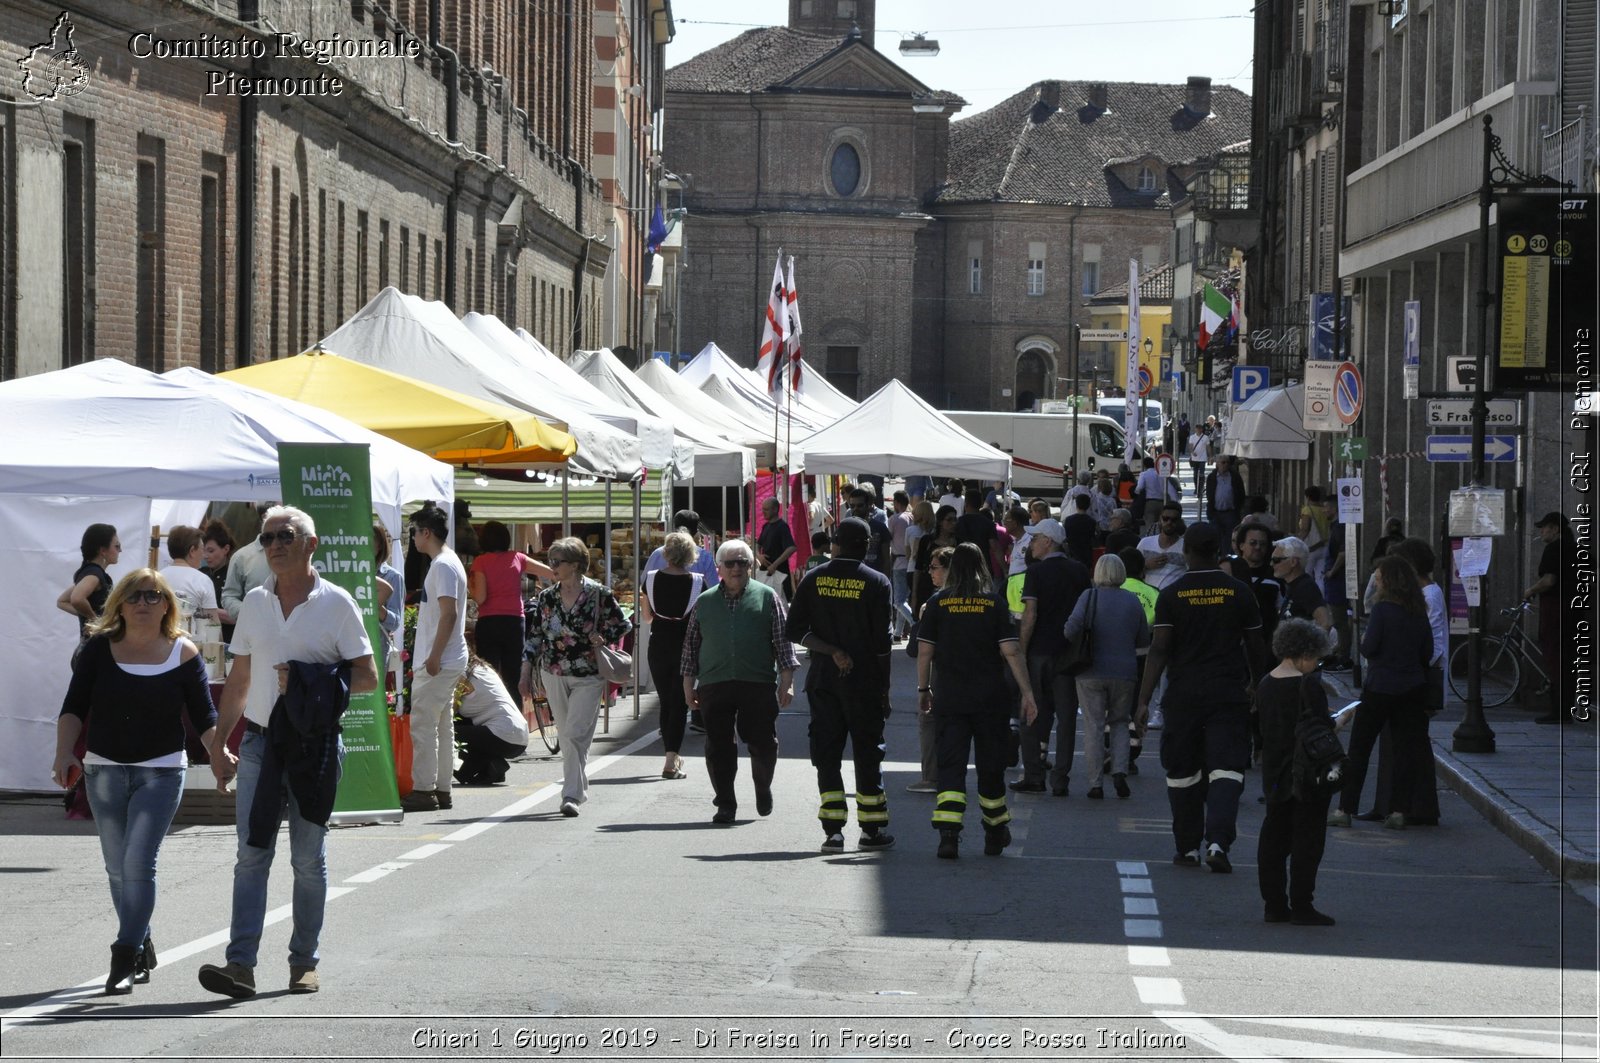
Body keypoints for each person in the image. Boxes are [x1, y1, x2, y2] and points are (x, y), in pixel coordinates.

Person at [199, 505, 377, 998]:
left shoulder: (337, 603)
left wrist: (310, 678)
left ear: (310, 544)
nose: (275, 544)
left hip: (314, 743)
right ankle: (240, 966)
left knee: (306, 858)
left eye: (286, 535)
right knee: (251, 855)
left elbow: (366, 677)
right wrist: (219, 742)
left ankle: (304, 961)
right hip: (258, 741)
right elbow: (239, 678)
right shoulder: (255, 602)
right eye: (267, 537)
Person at [55, 569, 218, 994]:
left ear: (167, 604)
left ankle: (123, 955)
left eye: (153, 596)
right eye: (134, 596)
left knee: (137, 862)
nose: (143, 603)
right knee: (116, 867)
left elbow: (204, 717)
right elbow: (74, 706)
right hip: (104, 767)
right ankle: (141, 939)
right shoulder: (97, 650)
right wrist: (63, 751)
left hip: (161, 770)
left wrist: (220, 753)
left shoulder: (184, 653)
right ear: (120, 605)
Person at [1137, 522, 1267, 873]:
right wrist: (1259, 685)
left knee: (1183, 771)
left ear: (1186, 552)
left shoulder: (1172, 594)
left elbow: (1159, 649)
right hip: (1228, 693)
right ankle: (1219, 842)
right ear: (1220, 550)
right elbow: (1256, 647)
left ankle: (1188, 847)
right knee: (1227, 769)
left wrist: (1143, 700)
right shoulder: (1240, 592)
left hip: (1183, 696)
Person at [916, 542, 1038, 859]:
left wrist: (923, 690)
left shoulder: (938, 603)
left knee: (951, 766)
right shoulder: (994, 604)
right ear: (982, 567)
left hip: (950, 698)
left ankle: (948, 836)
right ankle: (995, 833)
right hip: (989, 699)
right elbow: (1011, 651)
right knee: (990, 767)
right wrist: (1027, 693)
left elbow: (925, 652)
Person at [786, 517, 896, 852]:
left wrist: (830, 650)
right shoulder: (878, 582)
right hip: (864, 683)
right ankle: (871, 830)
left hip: (823, 683)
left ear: (835, 544)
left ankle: (833, 832)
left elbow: (795, 630)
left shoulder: (814, 578)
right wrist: (884, 690)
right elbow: (883, 645)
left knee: (827, 752)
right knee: (867, 753)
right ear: (866, 546)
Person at [680, 539, 798, 824]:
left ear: (750, 566)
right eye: (729, 563)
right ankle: (725, 803)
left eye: (742, 563)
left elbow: (783, 643)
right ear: (719, 568)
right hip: (714, 683)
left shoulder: (767, 596)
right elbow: (691, 646)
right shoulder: (705, 601)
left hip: (756, 682)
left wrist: (787, 681)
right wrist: (688, 685)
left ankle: (762, 787)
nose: (736, 569)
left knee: (763, 742)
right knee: (719, 745)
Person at [521, 538, 632, 818]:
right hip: (552, 670)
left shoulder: (598, 594)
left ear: (576, 565)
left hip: (588, 672)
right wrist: (525, 671)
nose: (552, 566)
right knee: (570, 733)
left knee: (574, 732)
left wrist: (603, 637)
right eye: (551, 561)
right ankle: (578, 786)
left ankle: (570, 795)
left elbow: (623, 624)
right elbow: (534, 636)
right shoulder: (547, 597)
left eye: (558, 562)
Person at [1329, 555, 1435, 831]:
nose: (1375, 581)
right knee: (1404, 751)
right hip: (1412, 688)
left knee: (1360, 749)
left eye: (1378, 577)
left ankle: (1345, 808)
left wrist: (1370, 645)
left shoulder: (1382, 610)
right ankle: (1398, 810)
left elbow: (1368, 648)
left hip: (1380, 687)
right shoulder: (1418, 611)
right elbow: (1428, 652)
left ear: (1388, 580)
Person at [1255, 618, 1341, 926]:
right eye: (1316, 657)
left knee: (1274, 838)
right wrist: (1339, 722)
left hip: (1276, 770)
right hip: (1308, 773)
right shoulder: (1308, 684)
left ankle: (1273, 904)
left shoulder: (1266, 683)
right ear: (1304, 653)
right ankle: (1302, 904)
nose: (1316, 663)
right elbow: (1321, 725)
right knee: (1307, 839)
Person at [1361, 537, 1445, 825]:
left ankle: (1414, 807)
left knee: (1410, 746)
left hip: (1409, 680)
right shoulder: (1408, 600)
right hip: (1405, 677)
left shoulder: (1428, 596)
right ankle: (1388, 804)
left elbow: (1433, 645)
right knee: (1396, 745)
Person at [1012, 518, 1090, 797]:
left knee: (1031, 711)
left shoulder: (1036, 573)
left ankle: (1034, 775)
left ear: (1048, 541)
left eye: (1034, 539)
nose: (1030, 544)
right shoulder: (1080, 571)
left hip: (1039, 653)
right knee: (1067, 717)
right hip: (1069, 655)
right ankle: (1060, 779)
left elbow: (1030, 614)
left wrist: (1020, 649)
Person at [1063, 554, 1150, 800]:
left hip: (1089, 671)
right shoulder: (1133, 601)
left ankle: (1095, 783)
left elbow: (1070, 629)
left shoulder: (1088, 597)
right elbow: (1143, 642)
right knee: (1121, 722)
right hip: (1124, 672)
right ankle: (1120, 770)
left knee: (1094, 725)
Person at [403, 502, 470, 814]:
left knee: (424, 725)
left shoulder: (442, 565)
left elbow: (448, 613)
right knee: (442, 725)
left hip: (440, 658)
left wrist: (433, 656)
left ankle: (424, 789)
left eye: (413, 532)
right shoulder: (448, 560)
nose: (412, 539)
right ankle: (441, 789)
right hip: (449, 656)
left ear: (425, 533)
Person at [639, 531, 705, 781]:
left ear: (665, 553)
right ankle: (671, 758)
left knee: (666, 699)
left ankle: (670, 755)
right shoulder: (698, 583)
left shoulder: (651, 580)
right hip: (687, 647)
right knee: (678, 702)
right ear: (691, 555)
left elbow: (646, 617)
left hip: (658, 646)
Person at [469, 520, 554, 701]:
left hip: (489, 622)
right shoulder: (518, 557)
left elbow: (481, 597)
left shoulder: (480, 562)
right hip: (514, 622)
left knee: (489, 675)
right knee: (513, 675)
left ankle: (493, 720)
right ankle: (517, 717)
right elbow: (550, 572)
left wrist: (471, 587)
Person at [907, 545, 955, 794]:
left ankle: (931, 777)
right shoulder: (977, 598)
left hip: (940, 675)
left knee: (928, 720)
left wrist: (923, 687)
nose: (929, 572)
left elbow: (922, 651)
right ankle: (951, 777)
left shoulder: (933, 604)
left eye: (935, 567)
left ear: (948, 570)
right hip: (967, 675)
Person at [1524, 511, 1579, 725]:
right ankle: (1566, 709)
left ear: (1555, 529)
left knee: (1555, 659)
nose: (1541, 531)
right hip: (1574, 612)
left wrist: (1530, 591)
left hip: (1555, 611)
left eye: (1544, 527)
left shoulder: (1554, 549)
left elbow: (1549, 580)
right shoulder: (1575, 549)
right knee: (1567, 660)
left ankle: (1558, 711)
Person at [452, 656, 529, 785]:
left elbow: (449, 711)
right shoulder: (482, 668)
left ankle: (488, 766)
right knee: (461, 725)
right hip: (518, 737)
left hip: (502, 735)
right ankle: (492, 767)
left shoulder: (460, 674)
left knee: (442, 732)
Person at [58, 523, 121, 641]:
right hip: (95, 648)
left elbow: (62, 601)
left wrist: (86, 616)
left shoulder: (90, 572)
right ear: (103, 550)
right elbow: (76, 599)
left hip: (89, 645)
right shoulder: (94, 575)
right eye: (117, 546)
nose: (120, 550)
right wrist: (96, 620)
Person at [221, 502, 275, 625]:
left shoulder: (296, 554)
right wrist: (251, 613)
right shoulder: (242, 557)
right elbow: (229, 596)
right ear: (265, 517)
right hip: (254, 634)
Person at [160, 525, 226, 623]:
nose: (204, 556)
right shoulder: (202, 580)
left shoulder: (158, 577)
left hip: (160, 636)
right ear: (192, 551)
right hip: (192, 636)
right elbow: (213, 623)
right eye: (202, 549)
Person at [645, 509, 719, 588]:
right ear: (696, 531)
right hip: (695, 599)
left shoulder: (658, 553)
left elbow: (645, 583)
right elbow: (713, 587)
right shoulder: (705, 557)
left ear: (674, 528)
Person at [1270, 537, 1331, 632]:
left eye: (1276, 560)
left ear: (1293, 562)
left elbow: (1325, 623)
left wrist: (1307, 645)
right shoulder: (1294, 584)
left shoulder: (1306, 586)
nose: (1271, 564)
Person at [911, 504, 959, 620]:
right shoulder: (927, 541)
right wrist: (914, 594)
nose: (953, 523)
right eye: (949, 520)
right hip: (927, 585)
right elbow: (917, 568)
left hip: (951, 588)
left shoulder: (959, 542)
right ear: (940, 522)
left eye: (955, 519)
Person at [371, 523, 404, 669]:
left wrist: (376, 606)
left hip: (376, 648)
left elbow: (395, 622)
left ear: (380, 545)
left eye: (370, 539)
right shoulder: (348, 574)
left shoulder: (392, 577)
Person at [755, 496, 797, 601]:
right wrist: (759, 556)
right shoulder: (766, 526)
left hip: (779, 573)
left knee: (781, 604)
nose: (763, 512)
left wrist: (775, 565)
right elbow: (757, 544)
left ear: (775, 509)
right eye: (763, 509)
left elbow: (791, 548)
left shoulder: (782, 526)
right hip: (765, 573)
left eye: (766, 509)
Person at [1137, 503, 1188, 590]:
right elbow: (1131, 570)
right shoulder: (1145, 543)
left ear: (1179, 521)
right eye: (1165, 519)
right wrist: (1145, 565)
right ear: (1160, 519)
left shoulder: (1186, 547)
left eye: (1174, 520)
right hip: (1149, 597)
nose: (1169, 522)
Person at [955, 488, 1003, 577]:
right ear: (980, 504)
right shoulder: (988, 523)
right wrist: (1004, 568)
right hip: (983, 565)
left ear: (966, 504)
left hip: (961, 565)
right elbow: (995, 547)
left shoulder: (957, 523)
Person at [847, 486, 892, 577]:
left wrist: (885, 580)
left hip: (874, 578)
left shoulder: (880, 527)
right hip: (851, 580)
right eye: (852, 506)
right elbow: (835, 557)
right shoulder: (844, 527)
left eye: (860, 505)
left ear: (868, 505)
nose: (855, 509)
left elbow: (886, 559)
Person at [887, 491, 914, 639]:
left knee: (898, 601)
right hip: (911, 563)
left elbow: (888, 537)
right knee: (904, 599)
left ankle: (916, 624)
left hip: (899, 562)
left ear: (897, 503)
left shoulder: (894, 519)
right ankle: (898, 633)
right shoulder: (914, 517)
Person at [1205, 456, 1246, 543]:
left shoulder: (1235, 477)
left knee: (1229, 538)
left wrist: (1238, 508)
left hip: (1231, 513)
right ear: (1217, 464)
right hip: (1216, 513)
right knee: (1215, 538)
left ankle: (1226, 555)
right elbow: (1209, 494)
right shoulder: (1212, 477)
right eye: (1223, 462)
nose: (1226, 465)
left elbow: (1241, 493)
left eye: (1227, 463)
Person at [1060, 493, 1097, 569]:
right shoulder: (1091, 521)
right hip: (1086, 555)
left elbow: (1064, 536)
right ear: (1088, 505)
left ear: (1076, 505)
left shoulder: (1068, 520)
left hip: (1072, 553)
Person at [1133, 458, 1164, 533]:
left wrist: (1136, 493)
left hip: (1150, 502)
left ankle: (1152, 540)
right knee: (1162, 524)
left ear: (1144, 465)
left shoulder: (1144, 474)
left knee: (1150, 525)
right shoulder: (1160, 473)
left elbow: (1139, 487)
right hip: (1162, 502)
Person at [1187, 425, 1212, 509]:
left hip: (1202, 458)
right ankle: (1196, 488)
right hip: (1194, 458)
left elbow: (1208, 447)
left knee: (1201, 473)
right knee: (1195, 474)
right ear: (1195, 429)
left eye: (1199, 428)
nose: (1198, 430)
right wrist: (1192, 452)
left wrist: (1210, 456)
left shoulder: (1205, 437)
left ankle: (1200, 488)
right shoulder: (1192, 437)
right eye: (1197, 428)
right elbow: (1190, 446)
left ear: (1201, 429)